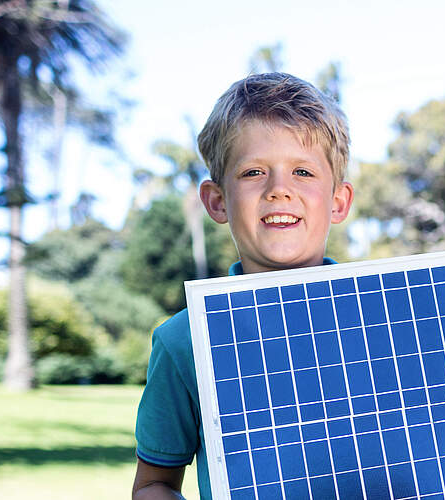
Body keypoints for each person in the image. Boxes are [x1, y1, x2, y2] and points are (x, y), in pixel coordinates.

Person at [131, 72, 354, 500]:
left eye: (303, 171)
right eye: (253, 172)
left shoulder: (388, 317)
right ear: (217, 200)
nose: (279, 191)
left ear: (338, 200)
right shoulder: (184, 340)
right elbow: (154, 484)